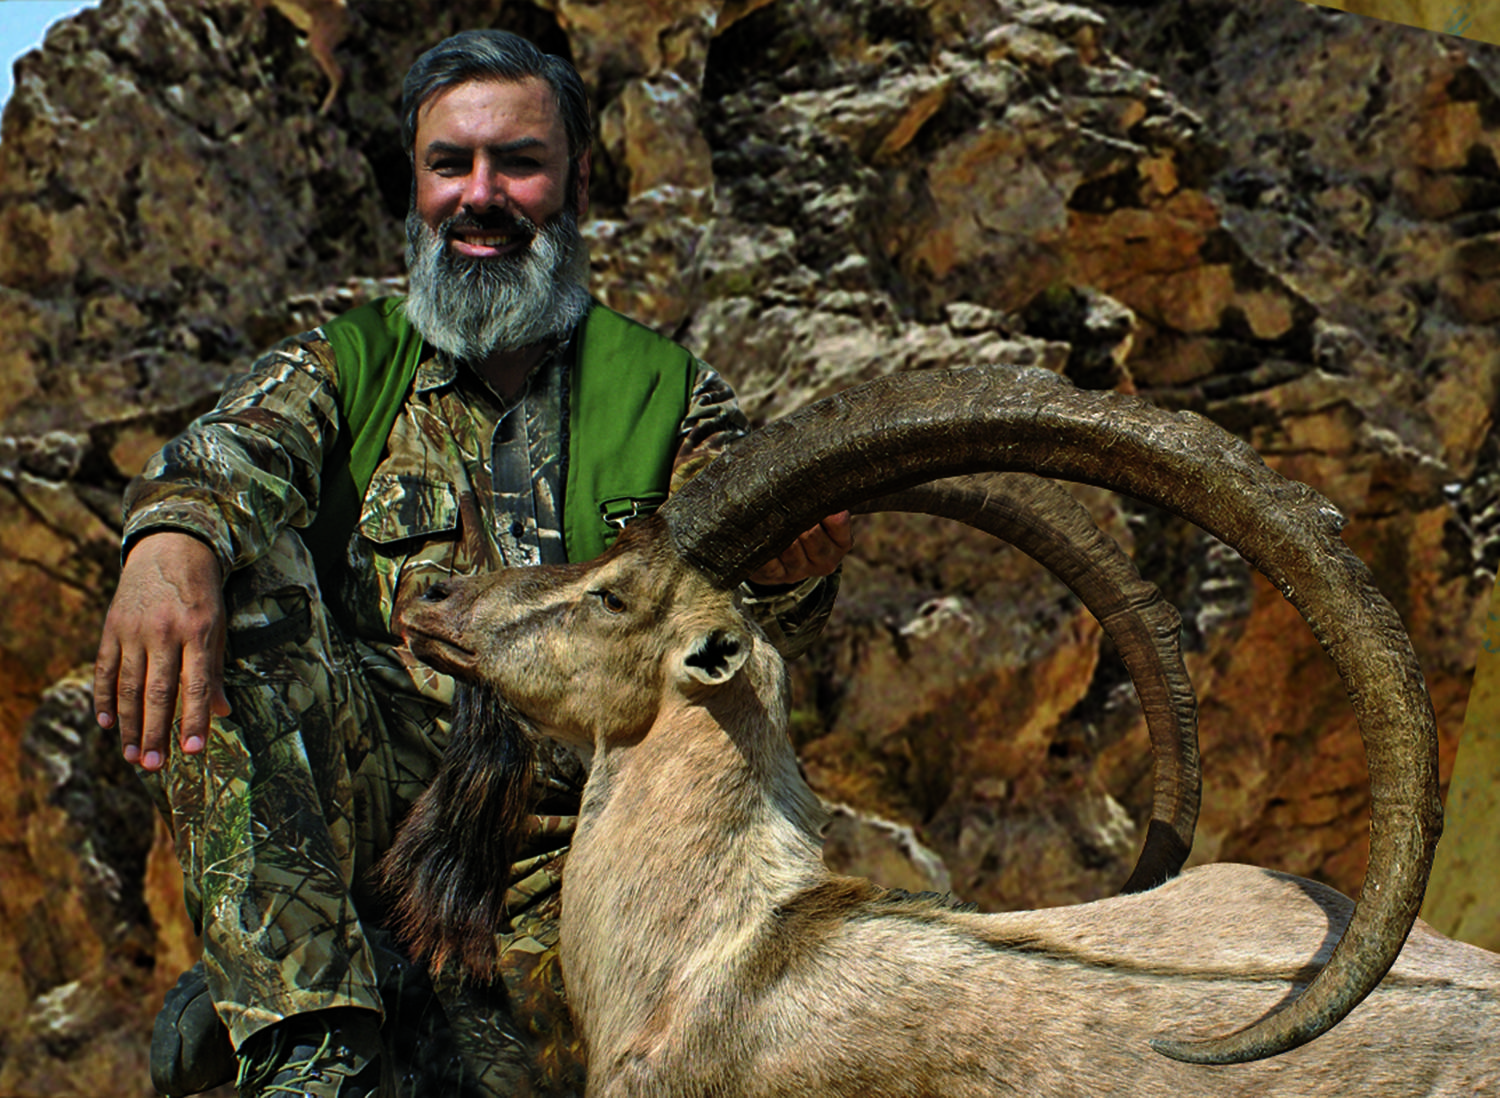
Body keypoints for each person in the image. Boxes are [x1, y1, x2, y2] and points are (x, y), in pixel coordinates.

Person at [92, 29, 851, 1098]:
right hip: (369, 835)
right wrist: (170, 542)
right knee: (230, 583)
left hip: (580, 865)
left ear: (576, 182)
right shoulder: (344, 366)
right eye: (451, 164)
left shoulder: (667, 394)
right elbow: (220, 461)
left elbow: (763, 625)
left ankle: (337, 987)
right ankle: (308, 1037)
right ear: (415, 186)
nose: (480, 196)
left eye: (519, 163)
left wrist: (790, 567)